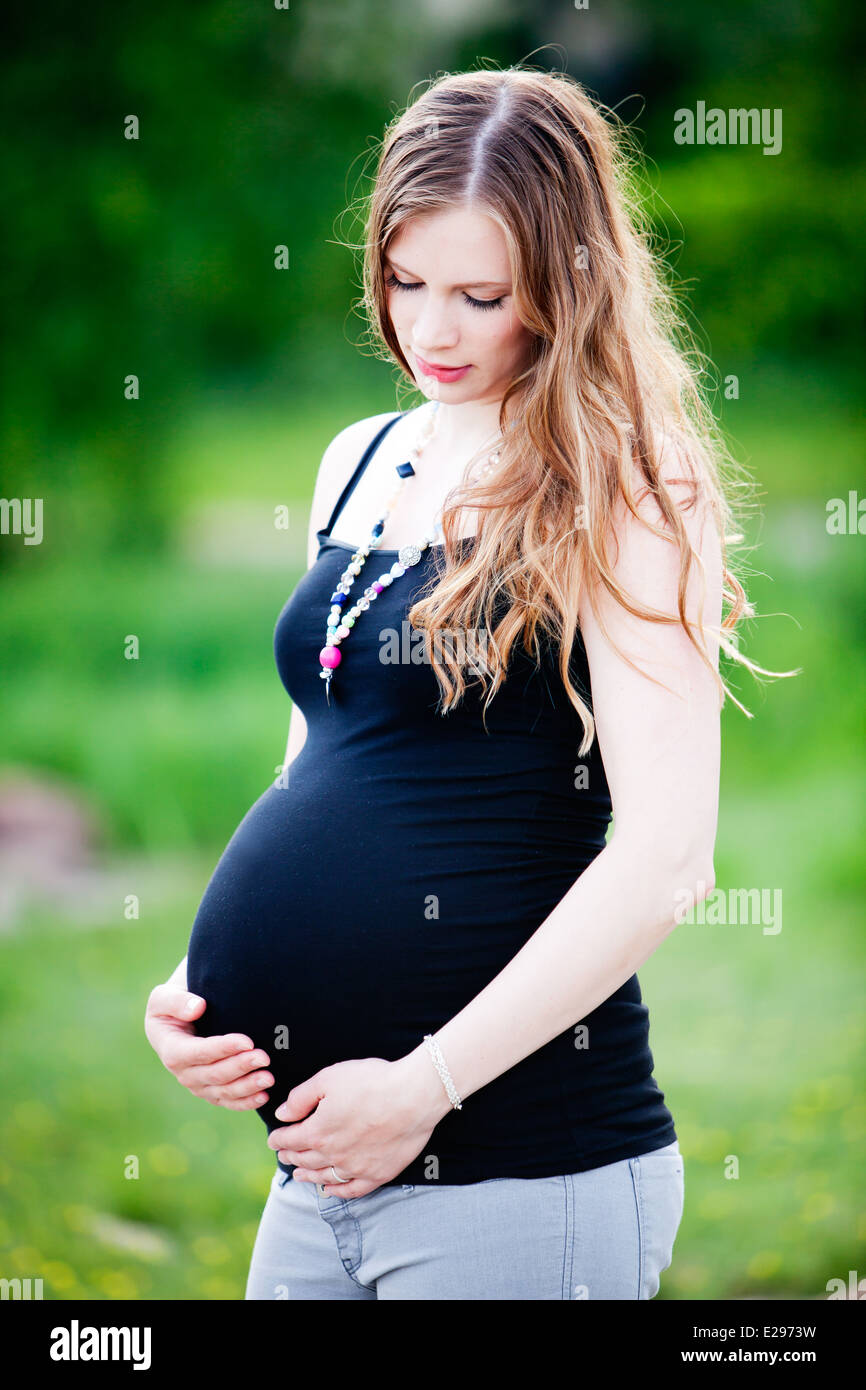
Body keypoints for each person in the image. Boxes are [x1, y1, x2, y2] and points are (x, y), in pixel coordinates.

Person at [144, 66, 763, 1300]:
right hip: (320, 1167)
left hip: (522, 1176)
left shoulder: (630, 491)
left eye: (482, 296)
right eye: (405, 282)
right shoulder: (357, 458)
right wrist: (201, 986)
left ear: (568, 283)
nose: (432, 331)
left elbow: (662, 861)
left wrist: (416, 1089)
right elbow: (318, 763)